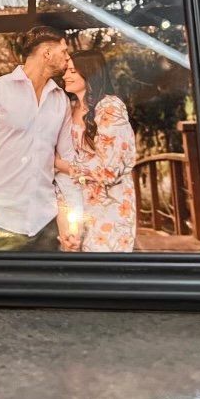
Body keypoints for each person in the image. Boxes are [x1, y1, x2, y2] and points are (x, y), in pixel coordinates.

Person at [0, 25, 80, 251]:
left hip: (45, 227)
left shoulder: (60, 100)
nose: (68, 57)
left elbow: (66, 161)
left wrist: (70, 220)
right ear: (46, 54)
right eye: (63, 51)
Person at [54, 50, 137, 252]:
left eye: (72, 71)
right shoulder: (69, 108)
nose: (65, 75)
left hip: (111, 205)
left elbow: (110, 169)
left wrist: (60, 165)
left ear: (89, 73)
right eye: (66, 70)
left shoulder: (109, 107)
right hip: (79, 202)